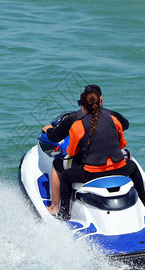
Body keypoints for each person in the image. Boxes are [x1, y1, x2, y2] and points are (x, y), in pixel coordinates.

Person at [53, 88, 145, 220]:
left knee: (65, 175)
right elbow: (122, 144)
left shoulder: (78, 125)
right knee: (133, 167)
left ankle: (63, 213)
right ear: (100, 102)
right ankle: (144, 201)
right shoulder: (114, 119)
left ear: (83, 107)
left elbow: (71, 152)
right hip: (119, 168)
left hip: (92, 173)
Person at [41, 85, 129, 216]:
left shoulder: (73, 119)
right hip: (115, 165)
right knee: (127, 154)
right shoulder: (112, 116)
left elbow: (56, 139)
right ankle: (139, 193)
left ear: (83, 104)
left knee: (57, 165)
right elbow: (125, 125)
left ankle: (55, 207)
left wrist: (48, 129)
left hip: (89, 168)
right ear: (101, 99)